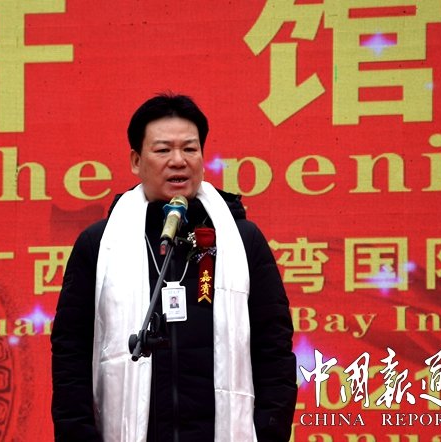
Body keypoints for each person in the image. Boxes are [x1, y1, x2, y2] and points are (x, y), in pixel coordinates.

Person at [51, 93, 297, 441]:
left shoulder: (242, 240)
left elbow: (274, 348)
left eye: (190, 149)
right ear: (136, 161)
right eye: (163, 150)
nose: (178, 161)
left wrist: (269, 432)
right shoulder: (99, 244)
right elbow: (71, 353)